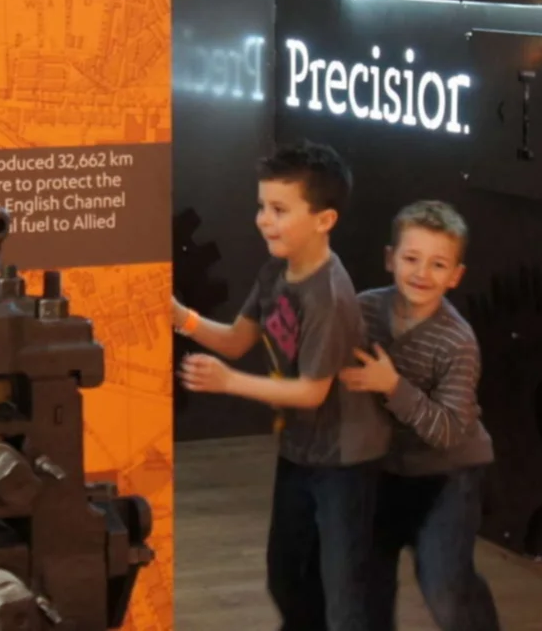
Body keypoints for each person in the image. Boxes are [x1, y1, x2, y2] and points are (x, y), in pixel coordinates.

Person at [174, 141, 389, 631]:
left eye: (279, 210)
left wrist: (230, 383)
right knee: (286, 578)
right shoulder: (275, 271)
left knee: (343, 593)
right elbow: (236, 339)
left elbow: (313, 391)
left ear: (324, 219)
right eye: (262, 207)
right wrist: (182, 317)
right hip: (299, 451)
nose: (264, 220)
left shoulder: (329, 297)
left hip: (345, 462)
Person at [341, 202, 500, 631]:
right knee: (366, 580)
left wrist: (393, 386)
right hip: (380, 468)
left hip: (447, 476)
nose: (422, 273)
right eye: (411, 258)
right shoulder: (364, 310)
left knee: (445, 584)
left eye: (438, 264)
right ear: (390, 258)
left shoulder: (457, 342)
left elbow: (449, 432)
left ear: (455, 276)